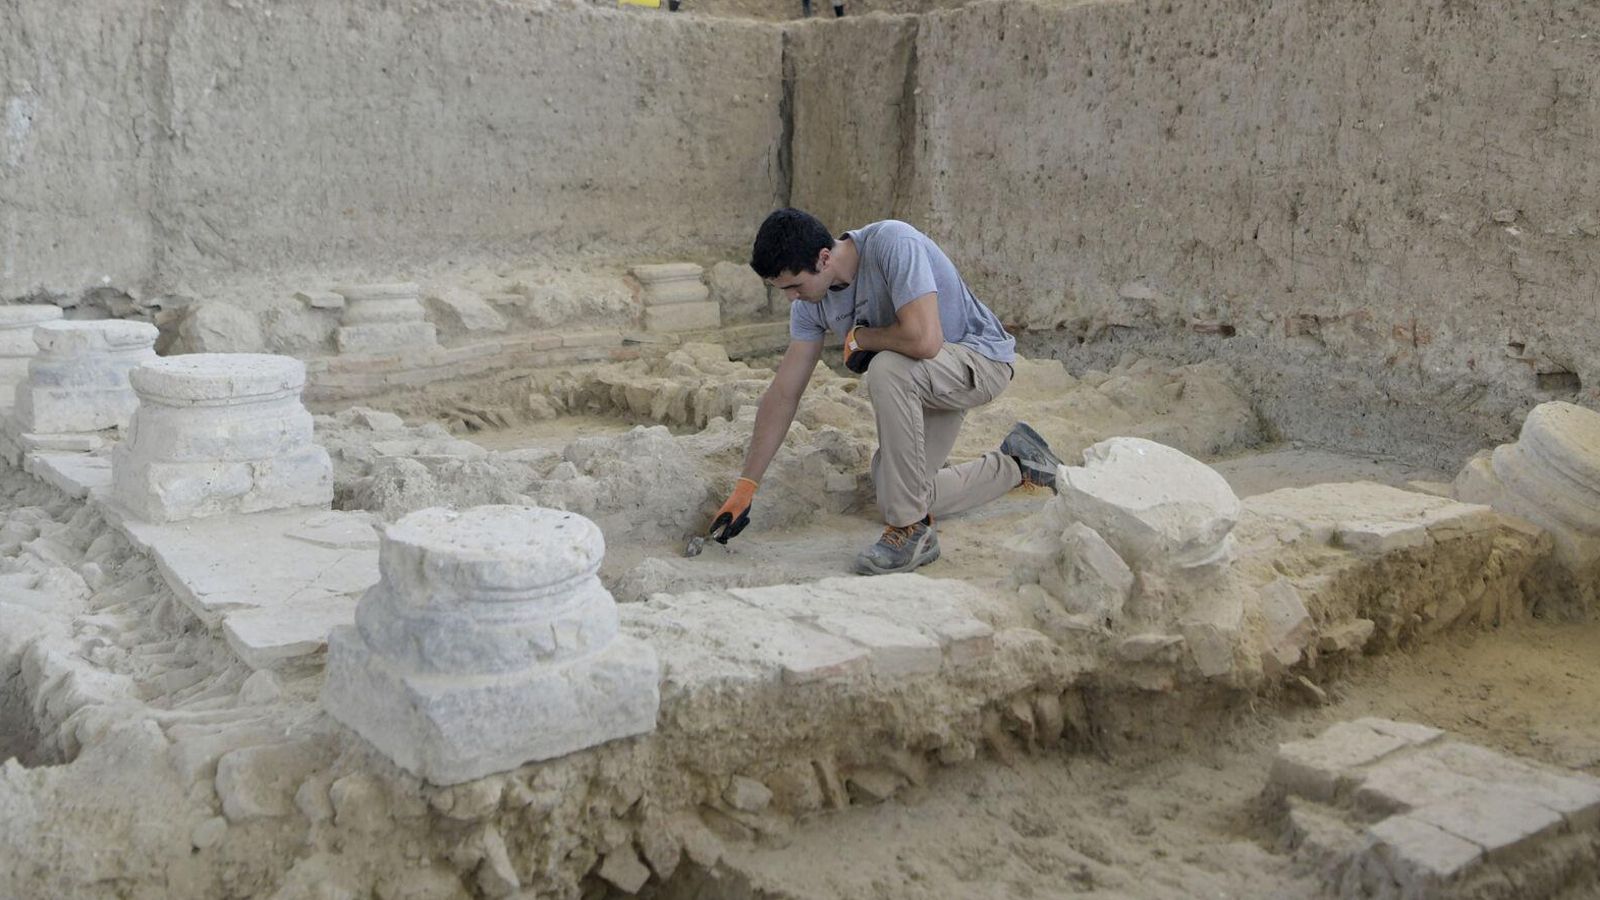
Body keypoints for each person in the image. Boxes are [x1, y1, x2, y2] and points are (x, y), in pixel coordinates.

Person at [707, 207, 1064, 575]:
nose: (791, 298)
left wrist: (861, 337)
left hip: (979, 362)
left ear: (824, 258)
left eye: (795, 286)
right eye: (783, 290)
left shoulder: (893, 243)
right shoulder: (810, 304)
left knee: (885, 367)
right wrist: (746, 486)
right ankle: (1018, 463)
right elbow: (784, 393)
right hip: (925, 379)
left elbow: (925, 341)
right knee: (894, 489)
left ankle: (910, 530)